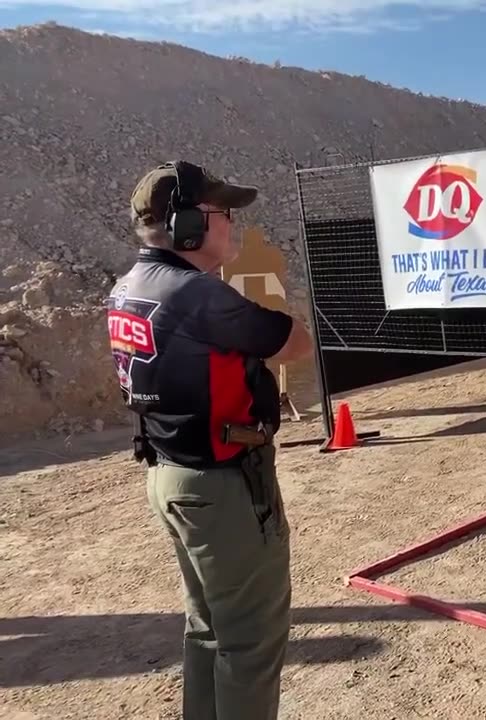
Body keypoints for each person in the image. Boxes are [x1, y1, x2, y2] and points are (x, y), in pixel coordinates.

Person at [106, 160, 313, 719]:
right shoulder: (194, 295)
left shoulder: (129, 287)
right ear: (187, 224)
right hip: (223, 486)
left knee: (207, 629)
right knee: (250, 644)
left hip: (170, 475)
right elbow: (295, 341)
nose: (231, 226)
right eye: (222, 214)